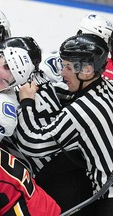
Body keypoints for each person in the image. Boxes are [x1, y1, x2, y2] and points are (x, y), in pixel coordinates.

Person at [17, 33, 113, 215]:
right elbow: (69, 92)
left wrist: (26, 103)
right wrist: (45, 89)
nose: (62, 73)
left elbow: (33, 143)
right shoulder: (108, 86)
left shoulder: (80, 112)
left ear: (87, 70)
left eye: (68, 67)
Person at [0, 36, 93, 215]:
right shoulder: (42, 78)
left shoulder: (17, 89)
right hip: (70, 165)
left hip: (53, 175)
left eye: (4, 63)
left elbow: (31, 142)